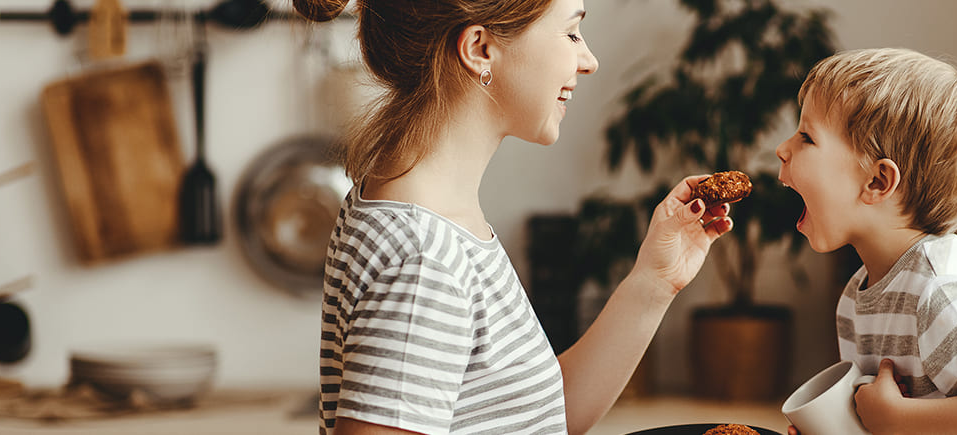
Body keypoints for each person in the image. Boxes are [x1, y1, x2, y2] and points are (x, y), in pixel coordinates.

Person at [292, 0, 735, 433]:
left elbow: (537, 415)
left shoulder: (429, 217)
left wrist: (654, 281)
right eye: (571, 32)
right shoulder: (425, 260)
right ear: (480, 49)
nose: (589, 60)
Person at [775, 48, 957, 434]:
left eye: (807, 136)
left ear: (877, 182)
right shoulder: (857, 297)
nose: (782, 148)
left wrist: (896, 418)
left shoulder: (940, 292)